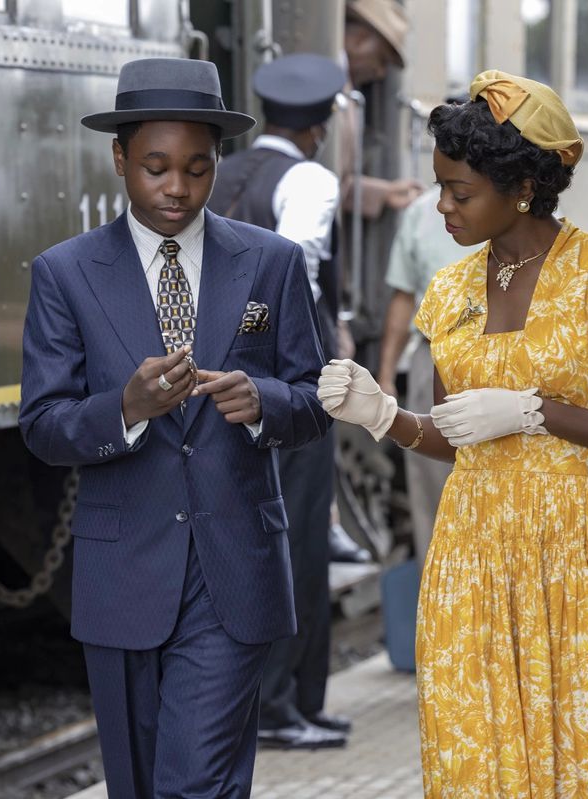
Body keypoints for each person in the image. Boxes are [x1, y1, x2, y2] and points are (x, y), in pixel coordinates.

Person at [318, 71, 588, 796]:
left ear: (522, 184)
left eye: (459, 192)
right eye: (439, 187)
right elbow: (454, 434)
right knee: (482, 751)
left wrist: (536, 411)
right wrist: (381, 415)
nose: (442, 207)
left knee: (585, 747)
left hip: (579, 558)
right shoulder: (451, 289)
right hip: (471, 554)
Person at [18, 58, 329, 798]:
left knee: (196, 782)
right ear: (120, 158)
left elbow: (316, 395)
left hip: (233, 569)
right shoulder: (65, 274)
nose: (177, 187)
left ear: (217, 162)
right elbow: (42, 424)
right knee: (141, 785)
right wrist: (125, 408)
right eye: (156, 167)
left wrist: (267, 402)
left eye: (196, 167)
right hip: (123, 575)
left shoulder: (271, 263)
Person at [207, 52, 349, 750]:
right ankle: (282, 704)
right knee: (297, 539)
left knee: (243, 539)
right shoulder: (311, 177)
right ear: (318, 127)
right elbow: (298, 269)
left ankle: (291, 701)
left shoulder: (219, 172)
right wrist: (264, 343)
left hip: (210, 386)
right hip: (288, 388)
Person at [377, 180, 475, 564]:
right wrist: (386, 376)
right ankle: (439, 600)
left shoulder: (529, 210)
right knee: (433, 490)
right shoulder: (420, 211)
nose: (444, 205)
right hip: (432, 357)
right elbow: (402, 298)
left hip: (505, 363)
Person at [337, 0, 425, 218]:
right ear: (360, 39)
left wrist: (384, 193)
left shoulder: (346, 88)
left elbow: (331, 181)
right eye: (382, 60)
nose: (380, 73)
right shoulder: (333, 85)